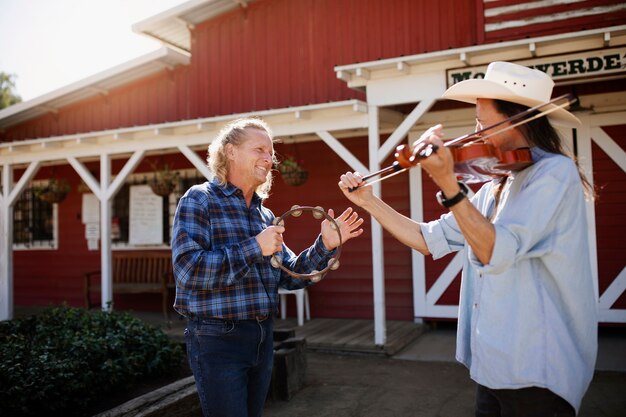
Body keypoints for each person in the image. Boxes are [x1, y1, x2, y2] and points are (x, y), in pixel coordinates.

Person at [339, 61, 597, 416]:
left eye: (481, 119)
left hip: (537, 368)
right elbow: (427, 238)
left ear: (513, 119)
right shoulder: (495, 186)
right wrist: (369, 201)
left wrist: (449, 184)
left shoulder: (554, 174)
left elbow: (496, 250)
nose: (474, 131)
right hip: (493, 366)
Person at [171, 117, 364, 417]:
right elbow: (188, 271)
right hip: (217, 338)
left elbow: (291, 276)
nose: (268, 158)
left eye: (270, 152)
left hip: (262, 336)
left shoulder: (264, 214)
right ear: (230, 151)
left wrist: (325, 244)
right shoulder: (199, 199)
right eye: (259, 149)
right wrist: (254, 247)